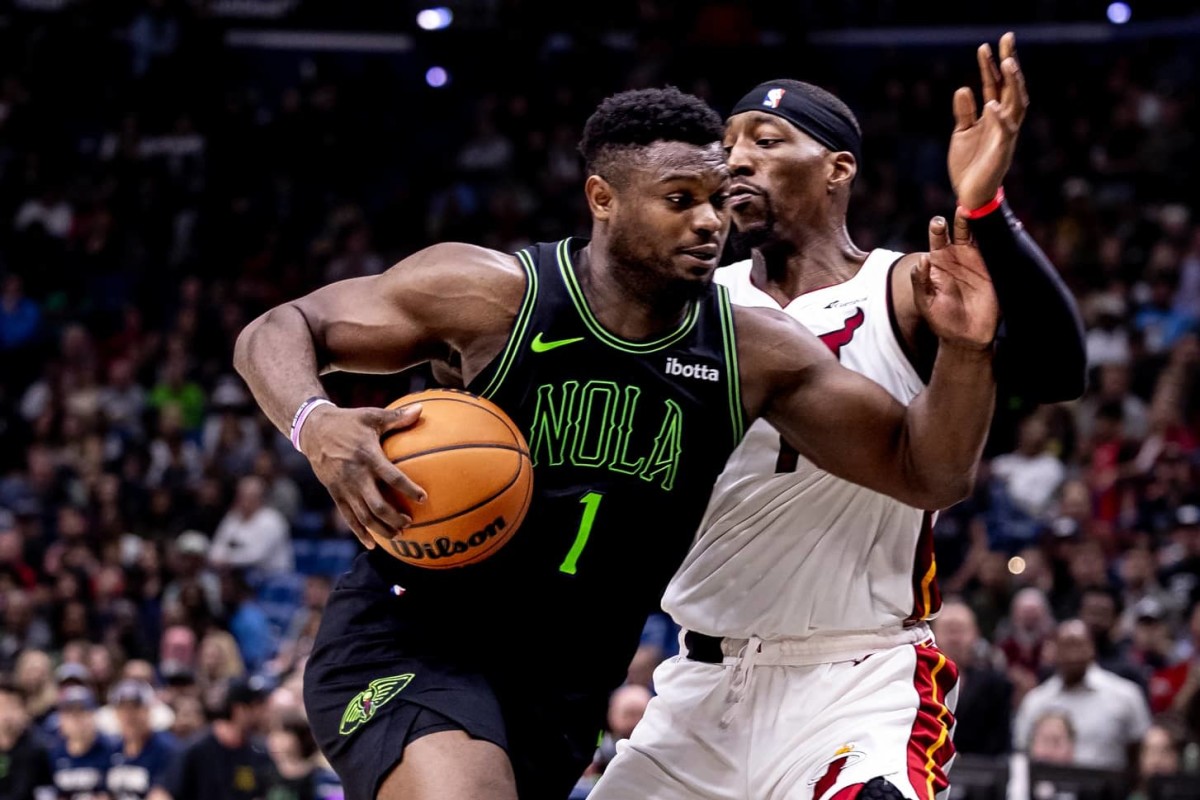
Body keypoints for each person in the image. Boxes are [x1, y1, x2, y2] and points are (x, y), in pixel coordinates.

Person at [235, 86, 1000, 800]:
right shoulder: (492, 295)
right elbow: (281, 328)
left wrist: (965, 354)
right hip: (418, 636)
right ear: (603, 199)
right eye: (679, 201)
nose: (709, 222)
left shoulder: (751, 352)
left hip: (564, 685)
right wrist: (316, 421)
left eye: (715, 201)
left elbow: (924, 470)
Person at [591, 33, 1085, 800]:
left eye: (765, 139)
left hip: (857, 677)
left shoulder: (903, 285)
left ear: (837, 169)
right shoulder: (687, 303)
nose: (736, 159)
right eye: (725, 145)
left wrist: (984, 209)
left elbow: (1059, 369)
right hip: (699, 685)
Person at [1013, 619, 1150, 770]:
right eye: (1066, 646)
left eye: (1078, 645)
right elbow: (1022, 752)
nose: (1073, 655)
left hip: (1108, 788)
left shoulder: (1125, 695)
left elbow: (1140, 751)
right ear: (1055, 650)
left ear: (1092, 648)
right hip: (1048, 787)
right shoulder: (1036, 701)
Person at [158, 676, 273, 800]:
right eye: (258, 706)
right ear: (239, 710)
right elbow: (161, 793)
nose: (264, 713)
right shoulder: (197, 749)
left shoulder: (258, 751)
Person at [105, 680, 179, 800]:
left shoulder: (166, 749)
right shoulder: (112, 749)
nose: (129, 716)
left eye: (135, 707)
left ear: (148, 710)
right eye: (123, 709)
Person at [0, 678, 54, 800]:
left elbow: (46, 793)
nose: (6, 714)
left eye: (11, 706)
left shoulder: (40, 748)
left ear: (24, 711)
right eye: (1, 707)